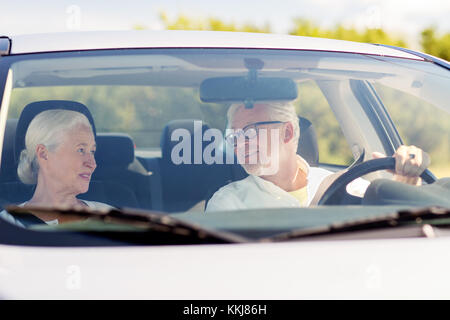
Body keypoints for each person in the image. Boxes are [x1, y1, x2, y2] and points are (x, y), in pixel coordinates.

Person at [206, 102, 431, 212]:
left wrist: (407, 183)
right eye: (233, 136)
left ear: (287, 133)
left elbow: (391, 222)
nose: (239, 144)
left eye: (249, 131)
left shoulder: (342, 184)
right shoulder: (227, 203)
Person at [0, 109, 113, 227]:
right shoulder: (7, 226)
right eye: (81, 150)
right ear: (43, 154)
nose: (92, 164)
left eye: (92, 151)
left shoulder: (111, 218)